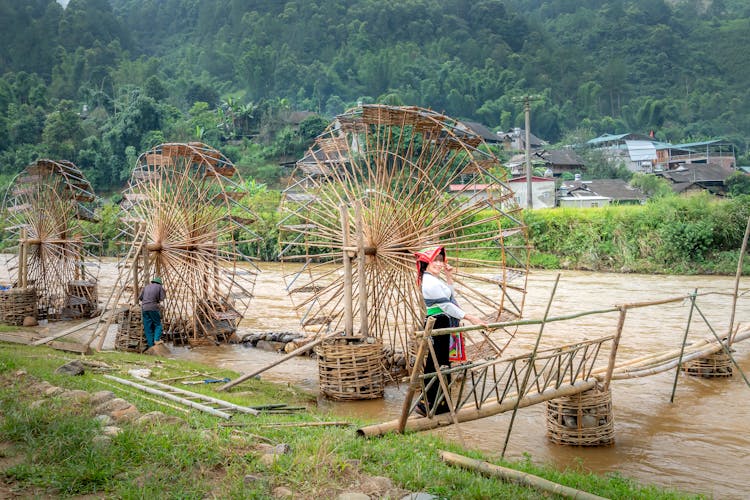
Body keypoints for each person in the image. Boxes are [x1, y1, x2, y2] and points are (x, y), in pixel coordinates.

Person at [414, 246, 485, 416]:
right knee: (436, 363)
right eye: (435, 260)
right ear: (426, 263)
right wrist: (471, 318)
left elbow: (451, 296)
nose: (439, 263)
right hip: (437, 322)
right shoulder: (429, 282)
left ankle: (441, 402)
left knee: (442, 362)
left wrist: (448, 275)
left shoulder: (435, 279)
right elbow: (446, 305)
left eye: (440, 260)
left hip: (443, 321)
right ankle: (428, 404)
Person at [139, 276, 165, 350]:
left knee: (147, 327)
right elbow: (162, 298)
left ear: (153, 282)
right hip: (153, 308)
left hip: (144, 308)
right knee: (158, 324)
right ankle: (156, 340)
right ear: (160, 283)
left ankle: (151, 346)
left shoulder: (146, 287)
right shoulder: (159, 287)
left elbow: (140, 298)